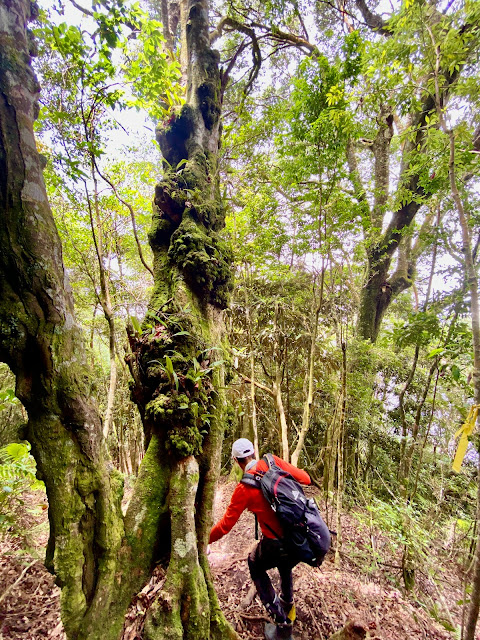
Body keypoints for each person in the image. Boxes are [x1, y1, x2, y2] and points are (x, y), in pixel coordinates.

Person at [209, 438, 312, 640]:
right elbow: (306, 479)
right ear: (254, 452)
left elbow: (224, 526)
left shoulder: (244, 488)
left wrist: (204, 540)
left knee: (255, 563)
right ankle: (288, 604)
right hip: (299, 537)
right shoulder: (273, 462)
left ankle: (282, 623)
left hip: (275, 542)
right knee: (285, 563)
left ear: (236, 460)